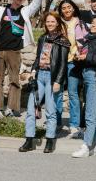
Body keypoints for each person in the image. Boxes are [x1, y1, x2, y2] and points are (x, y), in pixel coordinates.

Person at [0, 0, 45, 117]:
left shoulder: (25, 11)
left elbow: (36, 3)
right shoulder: (0, 10)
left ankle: (11, 108)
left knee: (14, 80)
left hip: (14, 51)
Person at [19, 12, 70, 153]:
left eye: (53, 21)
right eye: (48, 21)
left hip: (52, 78)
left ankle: (50, 140)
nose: (50, 24)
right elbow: (37, 58)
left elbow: (63, 64)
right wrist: (33, 71)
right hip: (40, 76)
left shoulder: (63, 41)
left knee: (50, 111)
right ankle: (29, 140)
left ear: (58, 23)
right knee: (31, 109)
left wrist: (58, 81)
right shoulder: (42, 38)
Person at [72, 16, 96, 158]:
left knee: (90, 111)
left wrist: (87, 57)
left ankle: (86, 146)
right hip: (88, 75)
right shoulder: (89, 38)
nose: (94, 25)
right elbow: (86, 57)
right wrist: (79, 57)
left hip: (95, 77)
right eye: (93, 22)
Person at [56, 0, 87, 138]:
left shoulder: (79, 23)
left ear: (73, 8)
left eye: (69, 7)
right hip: (58, 62)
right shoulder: (58, 22)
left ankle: (74, 125)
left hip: (73, 63)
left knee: (73, 94)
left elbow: (85, 43)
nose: (67, 10)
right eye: (64, 8)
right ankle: (56, 123)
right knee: (57, 92)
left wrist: (82, 54)